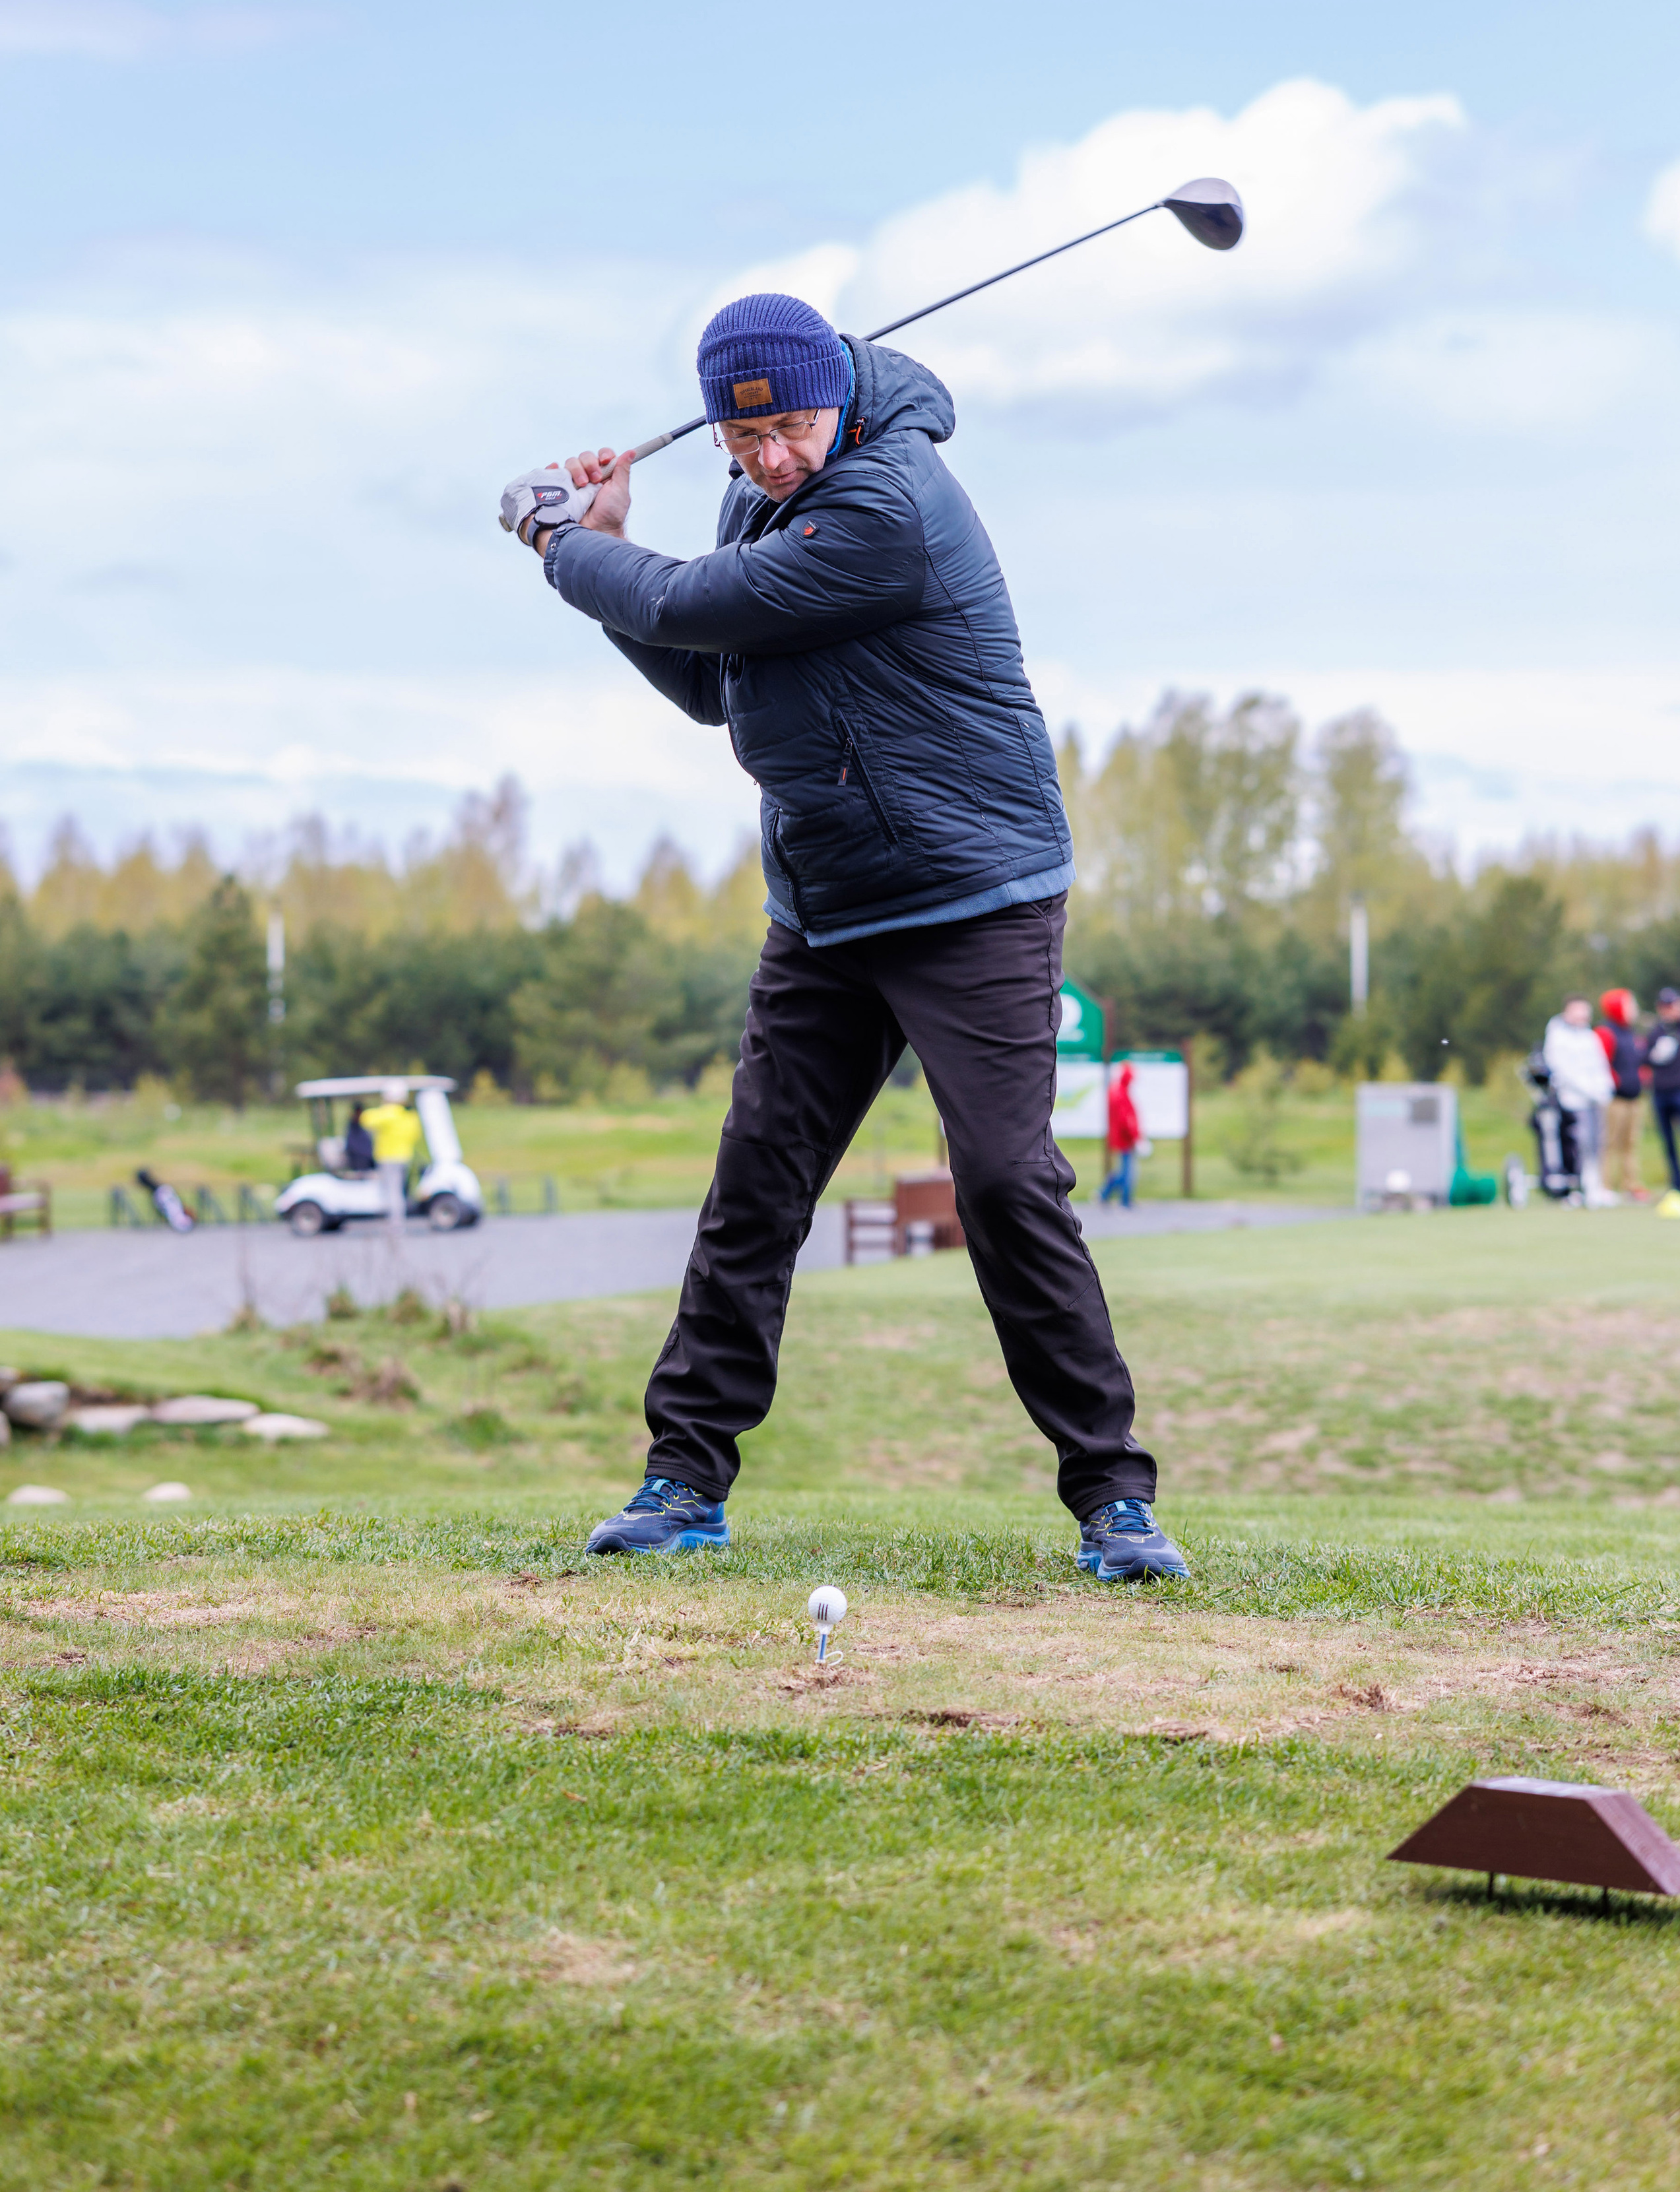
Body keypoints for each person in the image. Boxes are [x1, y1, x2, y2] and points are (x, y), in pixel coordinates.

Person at [503, 293, 1185, 1583]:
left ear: (836, 398)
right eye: (739, 439)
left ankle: (1113, 1501)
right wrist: (605, 561)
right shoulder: (760, 497)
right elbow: (711, 674)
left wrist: (558, 546)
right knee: (754, 1189)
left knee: (1000, 1180)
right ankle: (682, 1481)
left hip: (972, 895)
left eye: (787, 429)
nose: (767, 461)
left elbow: (697, 602)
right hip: (824, 908)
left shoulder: (891, 503)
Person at [1543, 998, 1616, 1205]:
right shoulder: (1558, 1036)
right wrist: (1588, 1090)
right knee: (1578, 1145)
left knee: (1597, 1145)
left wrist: (1605, 1089)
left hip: (1594, 1099)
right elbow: (1562, 1069)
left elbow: (1600, 1065)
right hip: (1572, 1100)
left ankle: (1595, 1186)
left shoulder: (1589, 1036)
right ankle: (1577, 1188)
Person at [1595, 989, 1648, 1201]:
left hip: (1634, 1099)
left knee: (1630, 1145)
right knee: (1608, 1144)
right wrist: (1615, 1082)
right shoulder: (1605, 1032)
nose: (1634, 1009)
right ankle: (1604, 1186)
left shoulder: (1631, 1033)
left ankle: (1630, 1185)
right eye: (1629, 1005)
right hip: (1614, 1100)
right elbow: (1601, 1064)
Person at [362, 1082, 422, 1225]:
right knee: (399, 1189)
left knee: (391, 1191)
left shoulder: (389, 1113)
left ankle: (395, 1222)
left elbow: (366, 1119)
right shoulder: (409, 1115)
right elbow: (416, 1134)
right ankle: (396, 1219)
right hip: (404, 1157)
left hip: (388, 1157)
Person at [1648, 988, 1680, 1196]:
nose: (1670, 1010)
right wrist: (1654, 1054)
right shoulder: (1657, 1031)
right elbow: (1645, 1058)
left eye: (1672, 1005)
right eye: (1665, 1006)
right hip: (1661, 1094)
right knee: (1669, 1144)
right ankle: (1677, 1188)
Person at [1097, 1061, 1140, 1206]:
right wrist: (1134, 1137)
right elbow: (1125, 1120)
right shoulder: (1120, 1093)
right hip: (1125, 1139)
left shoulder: (1117, 1091)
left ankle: (1105, 1194)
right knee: (1127, 1172)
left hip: (1121, 1138)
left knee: (1125, 1170)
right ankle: (1121, 1199)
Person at [343, 1103, 376, 1175]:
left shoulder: (364, 1126)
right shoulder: (353, 1127)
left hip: (368, 1158)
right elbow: (353, 1145)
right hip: (358, 1158)